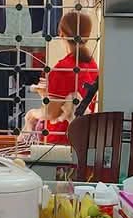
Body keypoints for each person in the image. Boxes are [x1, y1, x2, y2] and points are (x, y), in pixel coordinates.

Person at [39, 10, 99, 144]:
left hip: (58, 143)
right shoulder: (93, 66)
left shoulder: (62, 69)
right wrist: (46, 94)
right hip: (83, 141)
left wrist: (31, 114)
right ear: (88, 36)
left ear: (61, 34)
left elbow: (51, 114)